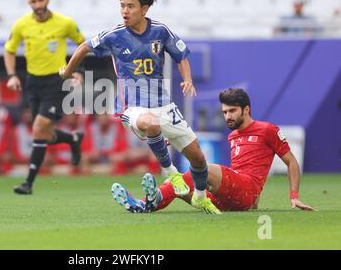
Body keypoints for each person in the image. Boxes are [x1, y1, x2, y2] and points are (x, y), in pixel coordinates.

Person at [60, 0, 221, 214]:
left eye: (130, 6)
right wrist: (69, 70)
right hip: (131, 106)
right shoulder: (114, 36)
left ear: (144, 9)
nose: (125, 11)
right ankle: (170, 173)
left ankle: (199, 197)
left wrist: (187, 79)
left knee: (198, 158)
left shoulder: (160, 31)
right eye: (122, 6)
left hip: (163, 104)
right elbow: (84, 47)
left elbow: (181, 56)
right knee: (150, 124)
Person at [110, 88, 315, 213]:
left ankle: (152, 199)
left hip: (247, 190)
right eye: (225, 112)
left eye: (232, 111)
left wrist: (294, 195)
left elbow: (291, 161)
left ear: (246, 109)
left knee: (203, 169)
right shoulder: (233, 135)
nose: (227, 116)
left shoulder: (268, 130)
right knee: (179, 186)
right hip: (231, 198)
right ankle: (145, 205)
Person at [4, 0, 86, 194]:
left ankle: (28, 183)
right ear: (29, 3)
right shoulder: (22, 25)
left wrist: (78, 70)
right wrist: (12, 75)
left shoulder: (64, 23)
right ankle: (72, 139)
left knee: (38, 128)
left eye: (41, 0)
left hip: (56, 82)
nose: (38, 5)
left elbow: (82, 44)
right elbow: (9, 50)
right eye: (34, 1)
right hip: (33, 83)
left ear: (47, 0)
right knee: (44, 134)